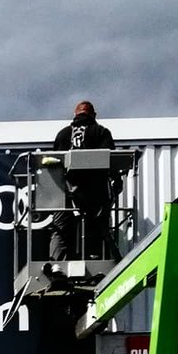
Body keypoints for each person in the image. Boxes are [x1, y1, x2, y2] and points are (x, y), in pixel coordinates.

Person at [48, 101, 122, 261]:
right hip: (95, 193)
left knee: (60, 228)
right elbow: (110, 160)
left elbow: (54, 164)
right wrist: (117, 181)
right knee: (98, 227)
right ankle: (95, 258)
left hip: (65, 193)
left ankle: (57, 262)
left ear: (75, 116)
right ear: (93, 115)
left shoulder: (63, 134)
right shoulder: (100, 132)